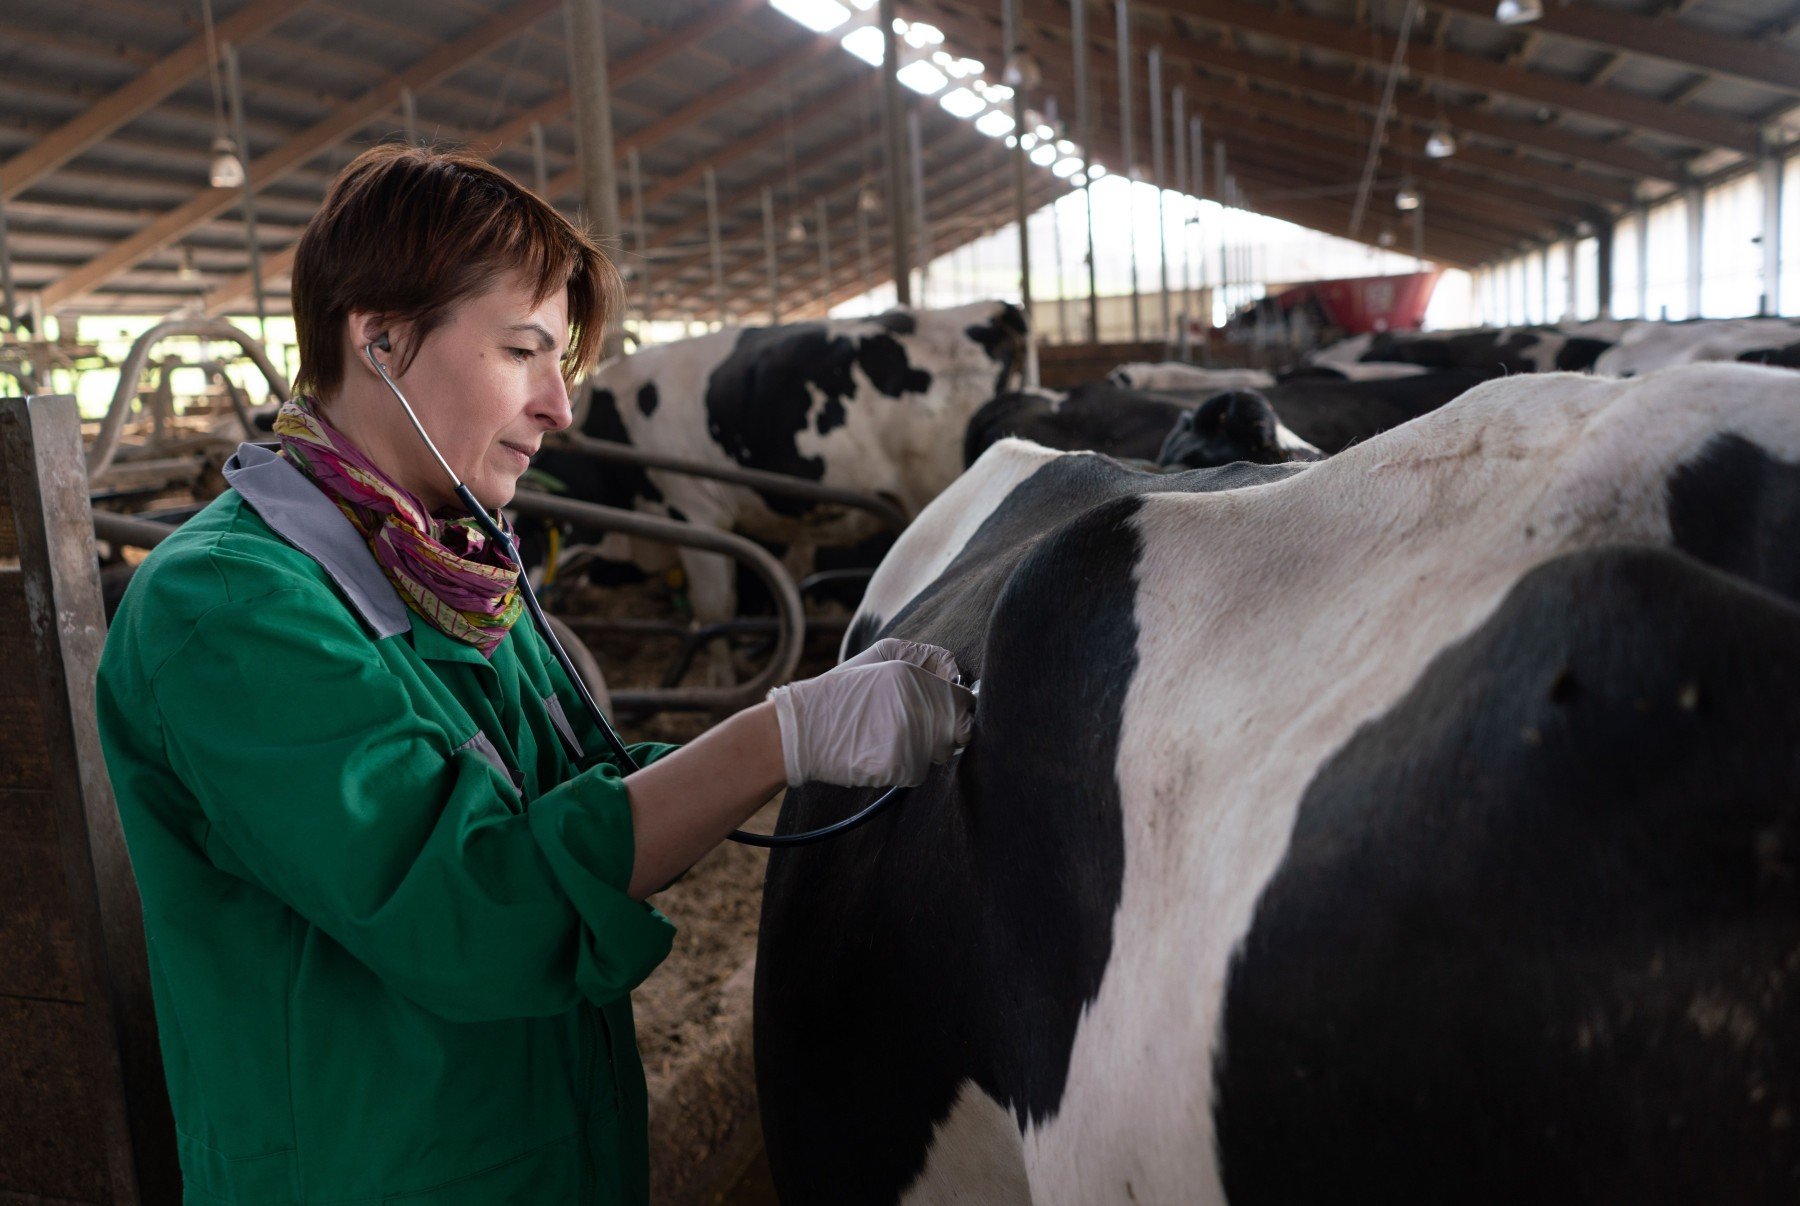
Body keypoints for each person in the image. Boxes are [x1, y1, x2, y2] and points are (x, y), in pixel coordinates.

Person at [96, 144, 973, 1205]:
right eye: (523, 351)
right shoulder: (232, 608)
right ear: (378, 340)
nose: (560, 405)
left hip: (538, 1148)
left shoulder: (442, 561)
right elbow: (477, 902)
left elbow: (576, 801)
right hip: (365, 1172)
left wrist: (791, 741)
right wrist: (772, 739)